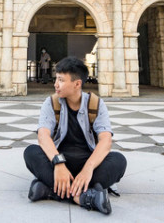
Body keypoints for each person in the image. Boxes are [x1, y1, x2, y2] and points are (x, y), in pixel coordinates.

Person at [23, 56, 126, 215]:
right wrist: (58, 164)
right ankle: (85, 197)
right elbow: (43, 136)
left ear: (77, 84)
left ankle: (50, 190)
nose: (56, 85)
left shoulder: (96, 104)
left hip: (88, 163)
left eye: (61, 80)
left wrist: (88, 168)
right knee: (31, 152)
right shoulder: (51, 103)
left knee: (119, 161)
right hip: (59, 161)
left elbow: (105, 140)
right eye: (56, 79)